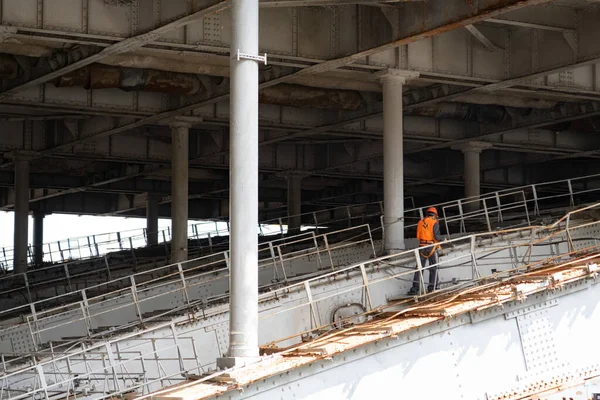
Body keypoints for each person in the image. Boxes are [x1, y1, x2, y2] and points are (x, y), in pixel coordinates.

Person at [407, 207, 445, 295]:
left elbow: (418, 237)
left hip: (422, 247)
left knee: (419, 268)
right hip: (431, 247)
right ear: (435, 215)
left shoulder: (420, 222)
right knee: (433, 268)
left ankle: (415, 288)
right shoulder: (434, 222)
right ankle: (432, 287)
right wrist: (443, 239)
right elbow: (436, 236)